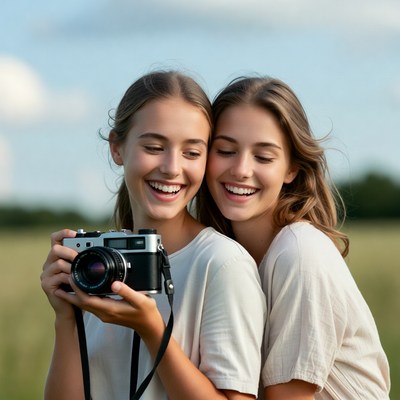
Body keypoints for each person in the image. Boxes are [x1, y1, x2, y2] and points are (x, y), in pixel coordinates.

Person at [40, 70, 266, 400]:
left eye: (192, 152)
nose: (172, 167)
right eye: (155, 146)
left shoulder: (221, 264)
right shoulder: (94, 265)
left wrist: (152, 330)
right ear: (117, 148)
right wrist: (66, 319)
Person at [199, 76, 391, 399]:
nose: (242, 169)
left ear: (291, 169)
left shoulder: (300, 253)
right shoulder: (226, 259)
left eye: (263, 157)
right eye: (227, 150)